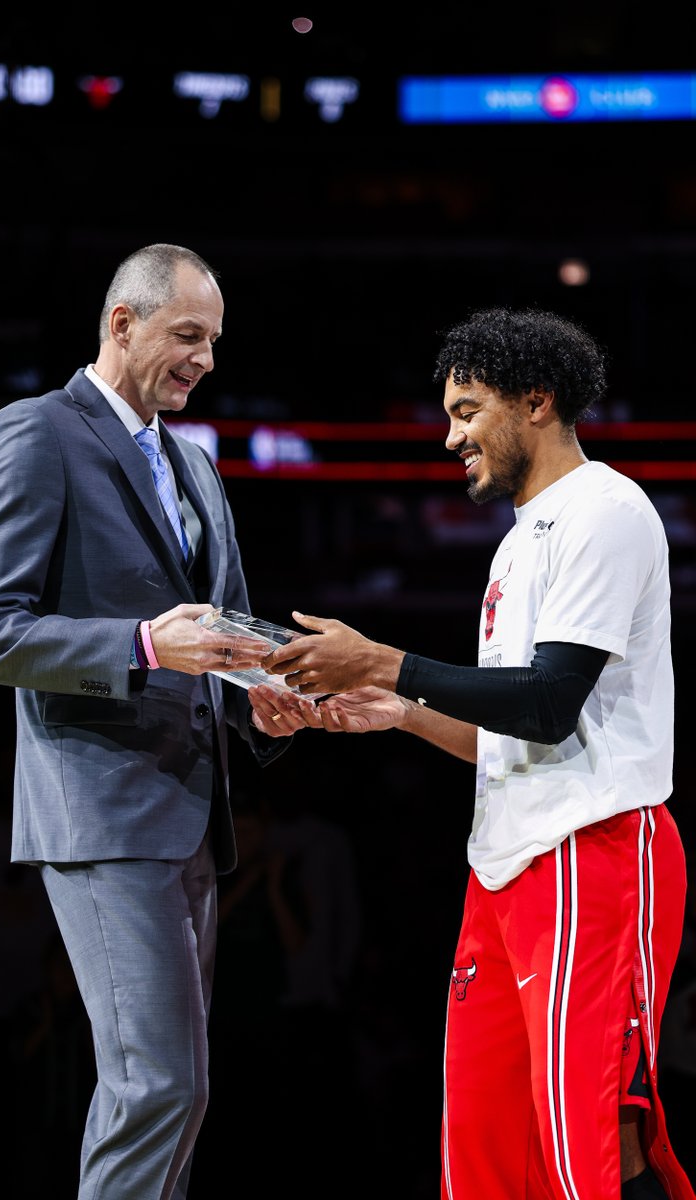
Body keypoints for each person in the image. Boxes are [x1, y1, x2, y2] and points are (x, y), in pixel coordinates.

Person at [248, 307, 694, 1200]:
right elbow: (513, 731)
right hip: (502, 871)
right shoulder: (515, 546)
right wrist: (399, 713)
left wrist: (385, 662)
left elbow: (548, 703)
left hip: (592, 856)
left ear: (537, 401)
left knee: (591, 1149)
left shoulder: (605, 510)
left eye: (466, 411)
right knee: (484, 1156)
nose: (450, 437)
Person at [0, 242, 291, 1200]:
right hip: (101, 812)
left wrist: (277, 699)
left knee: (179, 1094)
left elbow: (224, 638)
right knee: (156, 1088)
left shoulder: (197, 466)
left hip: (191, 816)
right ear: (122, 323)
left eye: (214, 341)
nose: (205, 360)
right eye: (188, 335)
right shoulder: (36, 433)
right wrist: (140, 644)